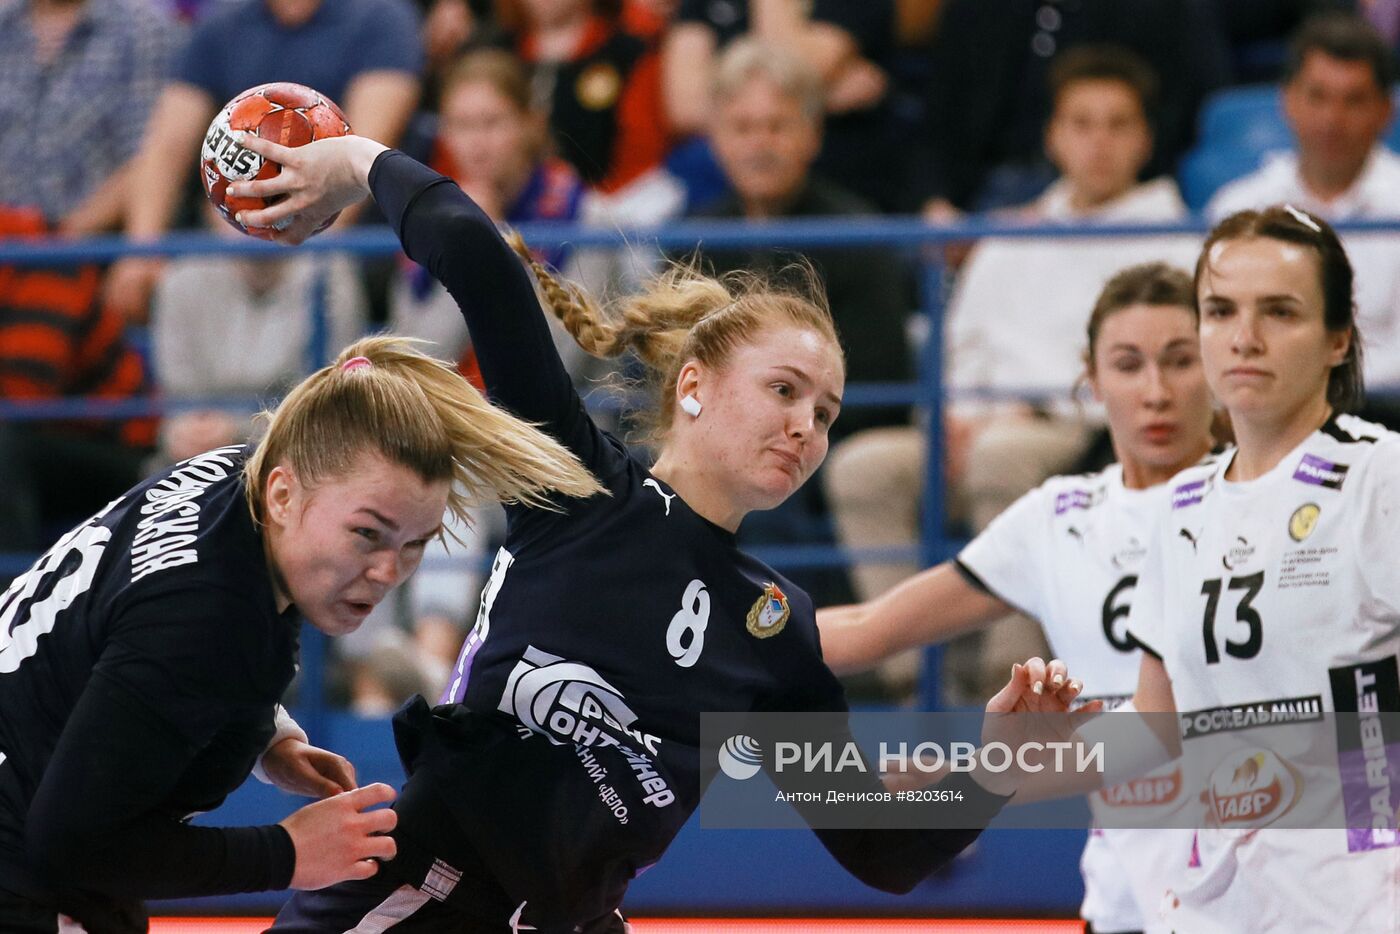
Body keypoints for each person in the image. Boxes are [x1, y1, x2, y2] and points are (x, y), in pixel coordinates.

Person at [222, 130, 1087, 933]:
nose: (806, 429)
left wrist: (996, 771)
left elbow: (879, 850)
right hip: (425, 889)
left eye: (825, 413)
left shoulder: (775, 626)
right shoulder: (577, 483)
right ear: (694, 386)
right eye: (783, 391)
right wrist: (354, 158)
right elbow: (481, 260)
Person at [0, 333, 601, 932]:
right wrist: (287, 853)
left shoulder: (233, 476)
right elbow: (71, 841)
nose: (388, 572)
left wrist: (269, 736)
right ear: (284, 494)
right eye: (367, 533)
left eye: (415, 544)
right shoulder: (203, 623)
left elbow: (132, 634)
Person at [818, 262, 1215, 934]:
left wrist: (976, 778)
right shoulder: (1061, 517)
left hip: (1269, 884)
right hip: (1127, 895)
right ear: (1090, 379)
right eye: (1127, 364)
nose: (1155, 392)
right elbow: (869, 626)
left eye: (1180, 362)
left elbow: (1164, 729)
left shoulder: (1256, 503)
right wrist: (704, 638)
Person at [825, 44, 1200, 701]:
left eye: (1118, 124)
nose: (1099, 143)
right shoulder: (1008, 234)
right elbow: (960, 350)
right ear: (1054, 136)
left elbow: (1161, 382)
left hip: (1075, 435)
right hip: (976, 425)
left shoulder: (1176, 242)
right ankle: (916, 681)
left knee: (1004, 460)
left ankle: (1009, 686)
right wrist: (951, 418)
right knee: (863, 466)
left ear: (1145, 138)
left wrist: (1019, 416)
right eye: (1081, 123)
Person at [1120, 206, 1400, 931]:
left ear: (1338, 340)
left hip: (1357, 906)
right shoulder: (1182, 505)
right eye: (1220, 310)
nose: (1245, 338)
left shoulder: (1379, 478)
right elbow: (1152, 728)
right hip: (1218, 907)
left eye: (1280, 312)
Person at [105, 0, 424, 322]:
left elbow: (362, 155)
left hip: (339, 236)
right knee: (182, 282)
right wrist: (141, 249)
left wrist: (285, 235)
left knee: (319, 275)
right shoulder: (221, 24)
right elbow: (166, 146)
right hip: (233, 235)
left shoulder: (381, 17)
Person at [1206, 11, 1400, 414]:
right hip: (1266, 411)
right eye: (1318, 96)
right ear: (1287, 101)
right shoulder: (1237, 207)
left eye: (1354, 100)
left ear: (1385, 112)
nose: (1332, 119)